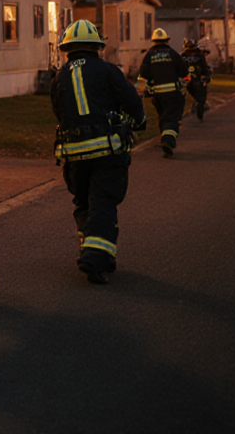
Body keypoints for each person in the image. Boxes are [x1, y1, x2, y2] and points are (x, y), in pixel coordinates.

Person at [52, 19, 147, 284]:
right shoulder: (108, 70)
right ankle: (94, 256)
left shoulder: (59, 76)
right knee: (103, 202)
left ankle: (96, 252)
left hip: (74, 156)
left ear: (67, 48)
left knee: (84, 203)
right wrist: (139, 121)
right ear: (97, 46)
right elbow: (131, 100)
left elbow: (59, 113)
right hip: (106, 152)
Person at [137, 27, 190, 157]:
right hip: (172, 94)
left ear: (153, 41)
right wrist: (186, 82)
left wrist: (138, 93)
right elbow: (185, 73)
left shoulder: (149, 56)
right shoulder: (172, 54)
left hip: (157, 96)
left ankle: (164, 140)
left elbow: (142, 78)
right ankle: (168, 140)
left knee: (162, 117)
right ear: (167, 40)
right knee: (172, 118)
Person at [181, 38, 212, 120]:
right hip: (198, 79)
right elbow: (204, 67)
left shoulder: (182, 56)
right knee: (201, 97)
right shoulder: (199, 55)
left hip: (188, 81)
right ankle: (200, 111)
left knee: (195, 95)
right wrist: (207, 75)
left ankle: (198, 106)